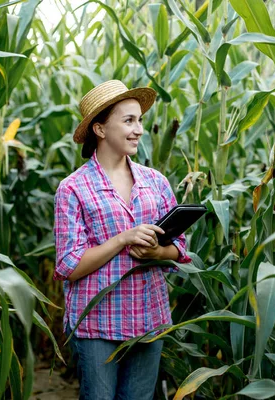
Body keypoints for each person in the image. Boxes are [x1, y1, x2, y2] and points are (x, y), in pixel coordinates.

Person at [53, 80, 191, 400]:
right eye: (128, 121)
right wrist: (123, 239)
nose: (139, 129)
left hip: (149, 318)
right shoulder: (73, 189)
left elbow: (180, 248)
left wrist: (157, 251)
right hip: (97, 322)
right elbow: (68, 266)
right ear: (100, 130)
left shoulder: (154, 181)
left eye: (139, 120)